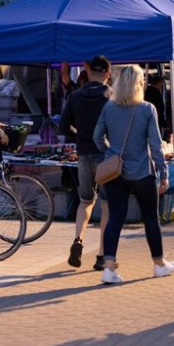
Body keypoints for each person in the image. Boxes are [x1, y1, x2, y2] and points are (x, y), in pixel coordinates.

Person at [93, 64, 174, 284]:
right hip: (141, 170)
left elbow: (97, 136)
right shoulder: (147, 109)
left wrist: (110, 152)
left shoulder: (109, 107)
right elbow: (156, 145)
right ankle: (159, 264)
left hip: (116, 171)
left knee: (115, 218)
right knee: (150, 217)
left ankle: (108, 268)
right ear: (139, 84)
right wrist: (163, 172)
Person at [59, 55, 112, 271]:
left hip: (83, 154)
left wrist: (78, 135)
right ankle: (102, 255)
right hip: (106, 155)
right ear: (108, 74)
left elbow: (63, 127)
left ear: (88, 71)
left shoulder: (75, 96)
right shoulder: (111, 96)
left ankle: (78, 240)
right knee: (107, 205)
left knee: (85, 201)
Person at [144, 73, 169, 139]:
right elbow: (159, 110)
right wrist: (164, 123)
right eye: (161, 83)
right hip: (155, 120)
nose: (161, 86)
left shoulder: (146, 92)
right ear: (158, 83)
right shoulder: (156, 95)